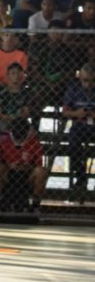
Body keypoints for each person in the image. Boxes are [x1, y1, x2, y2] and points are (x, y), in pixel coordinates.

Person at [0, 118, 46, 217]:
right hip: (9, 173)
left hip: (27, 174)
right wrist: (9, 165)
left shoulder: (34, 143)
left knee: (41, 171)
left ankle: (35, 205)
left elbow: (38, 164)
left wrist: (27, 166)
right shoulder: (4, 141)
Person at [61, 63, 95, 195]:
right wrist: (76, 114)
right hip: (80, 124)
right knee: (73, 144)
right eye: (85, 81)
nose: (88, 84)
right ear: (80, 77)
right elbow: (65, 111)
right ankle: (81, 175)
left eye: (92, 81)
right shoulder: (74, 88)